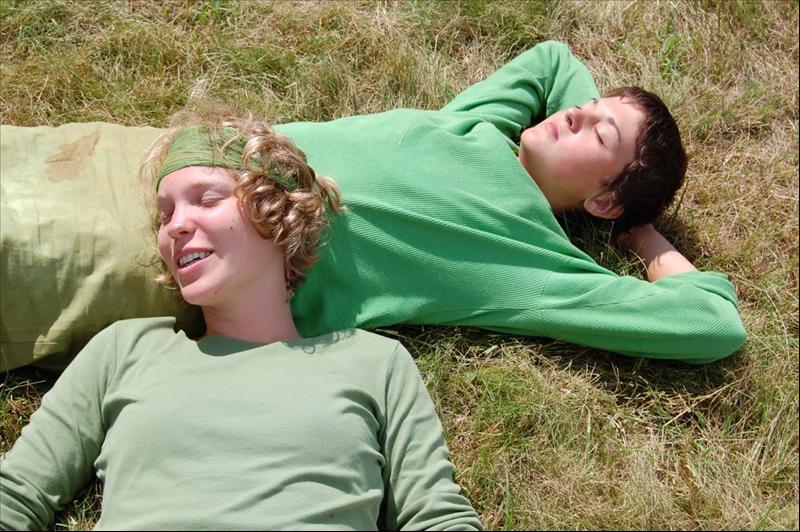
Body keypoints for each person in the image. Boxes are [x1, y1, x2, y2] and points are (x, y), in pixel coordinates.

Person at [0, 117, 483, 531]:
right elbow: (17, 494)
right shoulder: (126, 350)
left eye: (206, 199)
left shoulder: (373, 361)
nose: (174, 226)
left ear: (278, 214)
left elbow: (435, 516)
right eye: (165, 214)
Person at [277, 40, 746, 364]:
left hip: (262, 247)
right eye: (587, 107)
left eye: (600, 134)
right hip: (244, 149)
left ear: (604, 201)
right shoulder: (480, 122)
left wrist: (641, 233)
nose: (575, 114)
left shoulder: (534, 262)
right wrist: (601, 123)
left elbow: (712, 321)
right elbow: (553, 61)